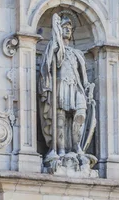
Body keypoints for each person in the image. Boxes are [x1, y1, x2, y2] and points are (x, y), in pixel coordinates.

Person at [38, 13, 95, 160]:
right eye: (64, 27)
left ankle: (77, 146)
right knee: (60, 118)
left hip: (76, 88)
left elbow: (83, 76)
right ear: (59, 29)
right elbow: (47, 66)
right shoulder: (54, 48)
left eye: (70, 27)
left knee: (80, 115)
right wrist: (55, 42)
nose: (68, 30)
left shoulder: (77, 53)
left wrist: (88, 89)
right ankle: (61, 149)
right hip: (60, 86)